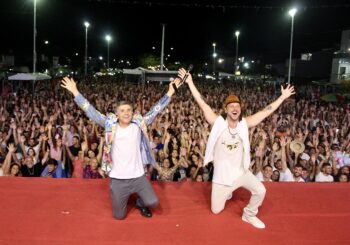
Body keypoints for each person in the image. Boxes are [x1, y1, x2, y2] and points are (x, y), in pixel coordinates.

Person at [180, 68, 295, 229]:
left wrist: (282, 97)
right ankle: (227, 192)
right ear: (225, 109)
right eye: (231, 106)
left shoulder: (244, 124)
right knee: (216, 211)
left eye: (237, 106)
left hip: (241, 172)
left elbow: (265, 112)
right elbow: (203, 104)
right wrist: (190, 83)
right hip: (222, 178)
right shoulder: (218, 122)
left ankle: (249, 214)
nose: (235, 108)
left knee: (261, 191)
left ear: (240, 109)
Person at [60, 75, 182, 220]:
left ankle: (139, 202)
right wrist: (75, 92)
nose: (126, 113)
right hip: (118, 179)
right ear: (117, 114)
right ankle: (121, 197)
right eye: (122, 110)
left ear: (132, 113)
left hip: (138, 177)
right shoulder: (110, 125)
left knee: (153, 202)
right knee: (119, 216)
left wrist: (169, 93)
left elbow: (155, 110)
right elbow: (91, 111)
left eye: (129, 110)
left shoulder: (139, 124)